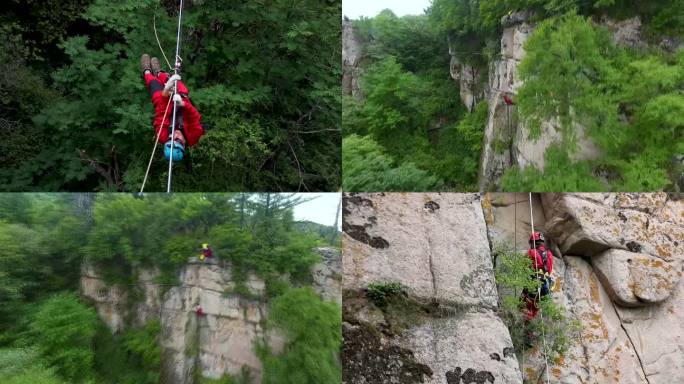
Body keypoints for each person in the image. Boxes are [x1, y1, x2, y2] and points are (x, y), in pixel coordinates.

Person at [140, 54, 205, 162]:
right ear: (183, 145)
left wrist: (165, 93)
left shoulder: (162, 136)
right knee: (172, 81)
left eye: (170, 139)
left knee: (152, 82)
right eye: (178, 140)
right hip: (181, 100)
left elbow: (161, 113)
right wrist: (183, 104)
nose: (175, 135)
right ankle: (159, 72)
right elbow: (195, 117)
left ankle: (147, 70)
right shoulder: (194, 135)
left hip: (163, 103)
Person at [522, 231, 554, 321]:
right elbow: (549, 270)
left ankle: (527, 330)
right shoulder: (549, 254)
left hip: (533, 285)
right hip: (546, 287)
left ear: (533, 242)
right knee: (534, 310)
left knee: (523, 307)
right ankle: (531, 329)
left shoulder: (531, 252)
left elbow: (524, 268)